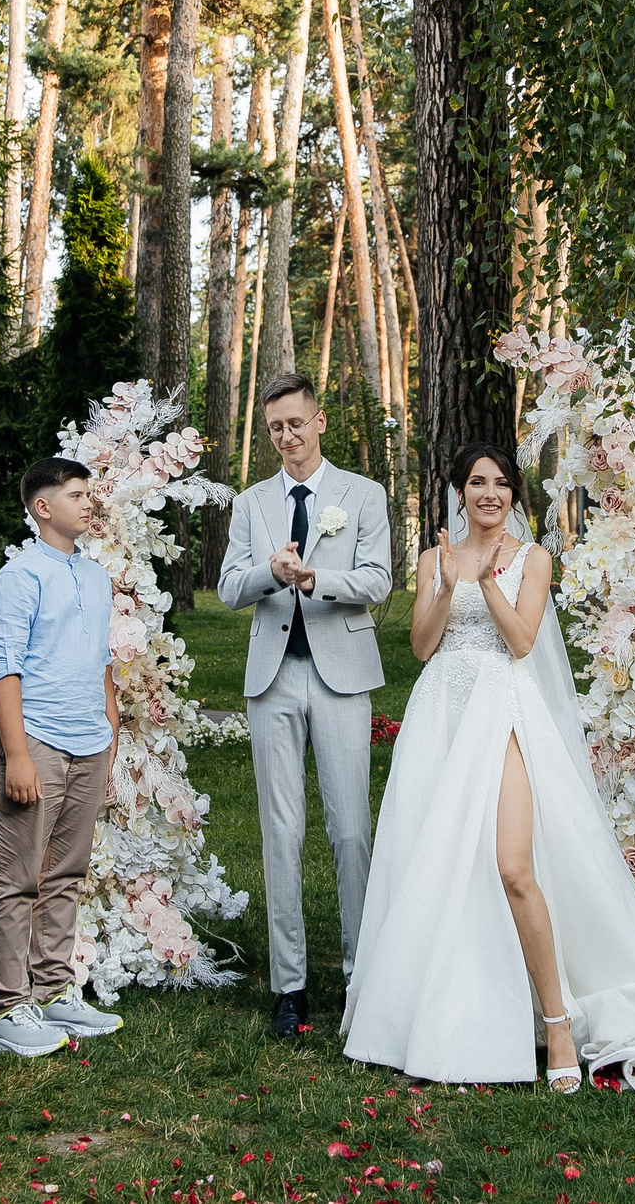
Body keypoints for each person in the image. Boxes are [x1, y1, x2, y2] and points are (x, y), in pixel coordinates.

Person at [341, 443, 635, 1091]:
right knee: (437, 860)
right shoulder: (434, 557)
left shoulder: (533, 559)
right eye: (478, 483)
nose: (490, 494)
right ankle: (445, 1011)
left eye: (501, 483)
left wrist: (487, 582)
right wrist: (445, 586)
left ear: (513, 494)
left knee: (512, 866)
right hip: (441, 713)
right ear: (460, 491)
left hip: (502, 709)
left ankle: (557, 1022)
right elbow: (420, 645)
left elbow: (521, 641)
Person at [215, 371, 394, 1039]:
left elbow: (378, 580)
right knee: (280, 830)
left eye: (296, 423)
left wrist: (316, 578)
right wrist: (270, 572)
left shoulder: (363, 494)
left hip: (341, 674)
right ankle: (288, 985)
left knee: (351, 829)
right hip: (273, 678)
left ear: (319, 421)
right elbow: (229, 587)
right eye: (275, 428)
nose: (286, 436)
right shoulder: (251, 503)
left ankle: (359, 972)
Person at [0, 457, 125, 1057]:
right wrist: (16, 755)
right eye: (76, 495)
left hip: (90, 741)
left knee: (66, 873)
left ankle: (54, 988)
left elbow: (103, 663)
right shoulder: (19, 577)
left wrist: (109, 737)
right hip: (35, 739)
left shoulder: (96, 577)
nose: (89, 503)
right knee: (17, 877)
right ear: (42, 507)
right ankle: (6, 1006)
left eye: (89, 494)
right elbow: (3, 667)